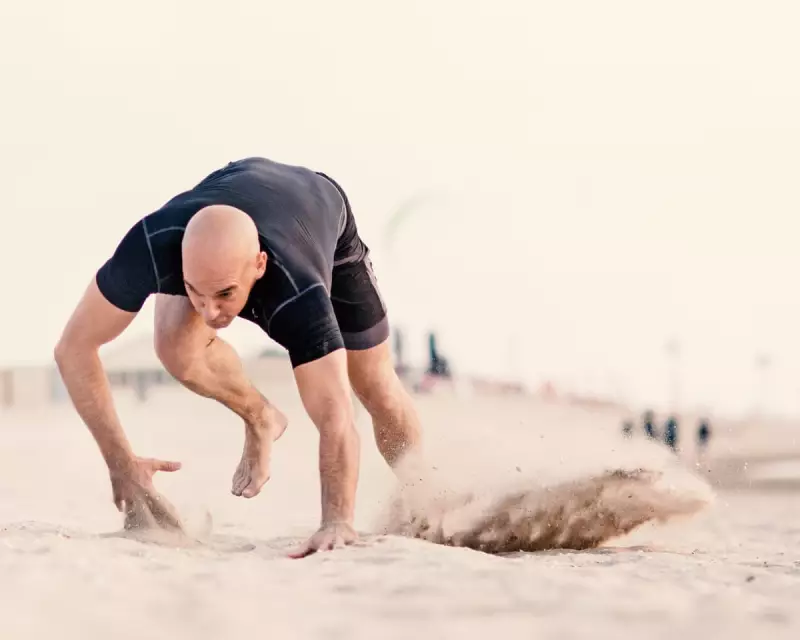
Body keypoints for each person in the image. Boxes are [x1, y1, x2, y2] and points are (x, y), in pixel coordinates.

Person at [54, 156, 423, 558]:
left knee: (373, 384)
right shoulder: (150, 247)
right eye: (195, 292)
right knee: (174, 347)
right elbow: (73, 349)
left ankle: (425, 493)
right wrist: (121, 464)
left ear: (258, 265)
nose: (210, 312)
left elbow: (336, 416)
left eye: (225, 295)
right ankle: (260, 416)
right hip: (230, 194)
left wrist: (336, 521)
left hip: (320, 211)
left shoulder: (299, 292)